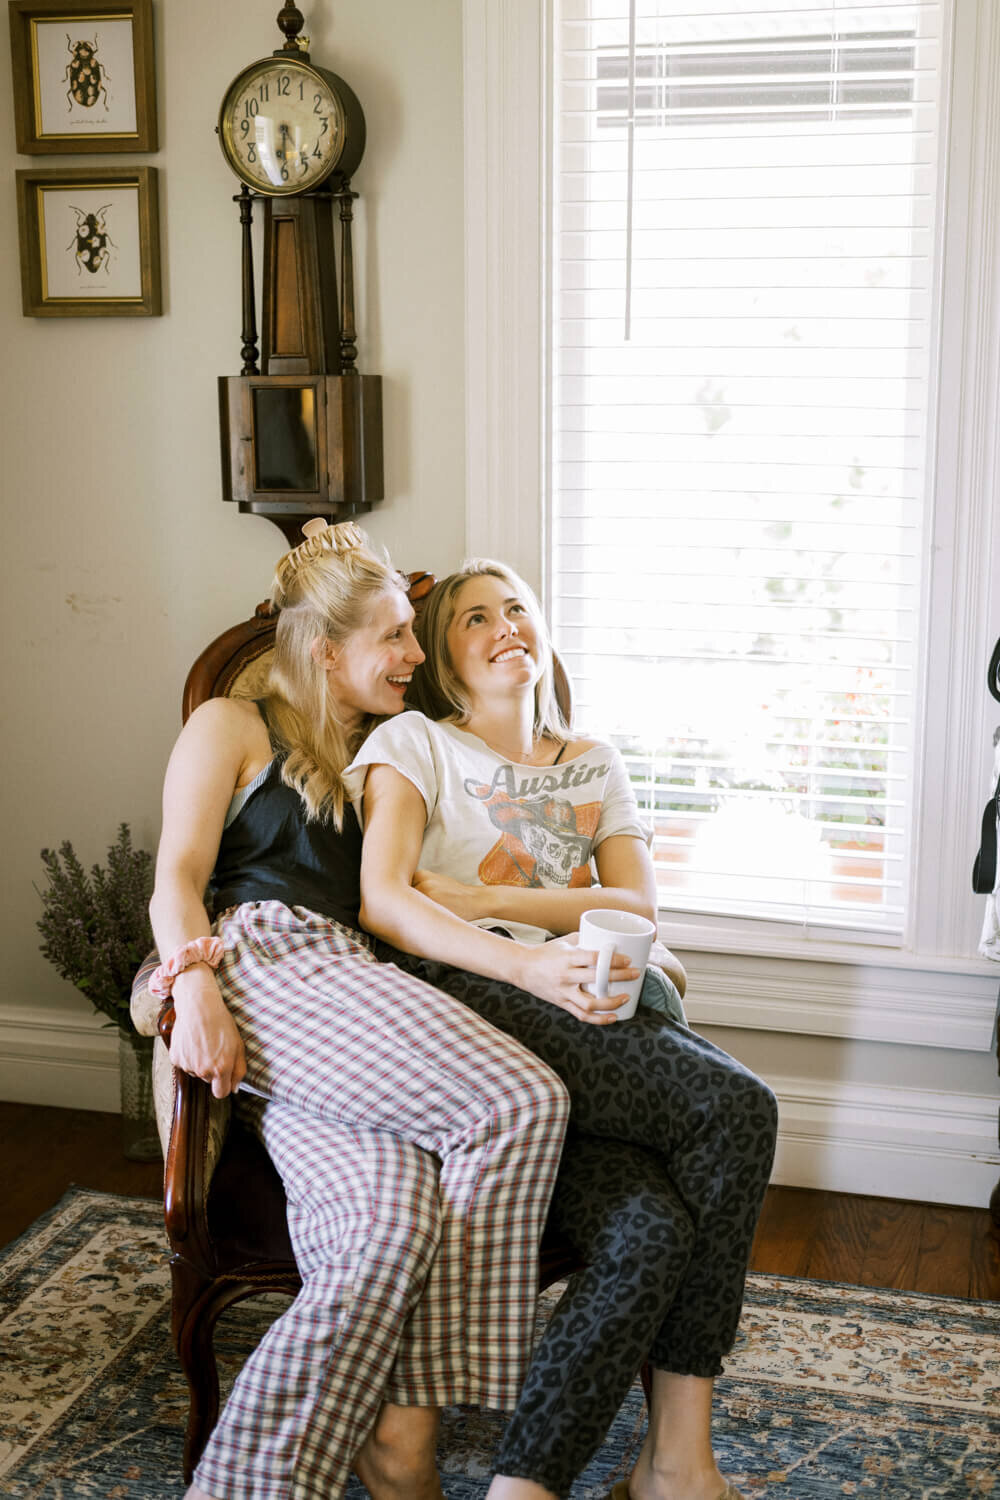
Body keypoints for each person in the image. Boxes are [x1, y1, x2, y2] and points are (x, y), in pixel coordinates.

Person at [148, 523, 573, 1500]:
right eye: (393, 636)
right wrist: (196, 986)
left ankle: (257, 1484)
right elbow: (173, 878)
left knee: (384, 1230)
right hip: (265, 961)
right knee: (518, 1102)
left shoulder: (401, 747)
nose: (415, 656)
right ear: (324, 649)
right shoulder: (232, 724)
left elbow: (497, 730)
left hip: (357, 1007)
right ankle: (412, 1426)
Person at [345, 558, 779, 1500]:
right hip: (471, 1000)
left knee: (651, 1230)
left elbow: (639, 908)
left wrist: (480, 892)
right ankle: (680, 1466)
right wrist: (553, 917)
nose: (503, 626)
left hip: (594, 1013)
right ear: (442, 660)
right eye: (472, 618)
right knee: (738, 1108)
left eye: (517, 610)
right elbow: (387, 902)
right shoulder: (417, 743)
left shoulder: (593, 760)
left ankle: (528, 1487)